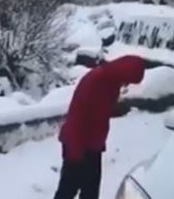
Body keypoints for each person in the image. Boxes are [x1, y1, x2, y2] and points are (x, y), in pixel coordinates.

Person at [53, 55, 145, 199]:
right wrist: (76, 153)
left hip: (92, 146)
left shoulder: (111, 82)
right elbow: (78, 116)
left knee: (90, 192)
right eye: (128, 80)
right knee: (67, 190)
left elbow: (99, 114)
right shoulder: (96, 81)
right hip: (77, 144)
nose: (126, 85)